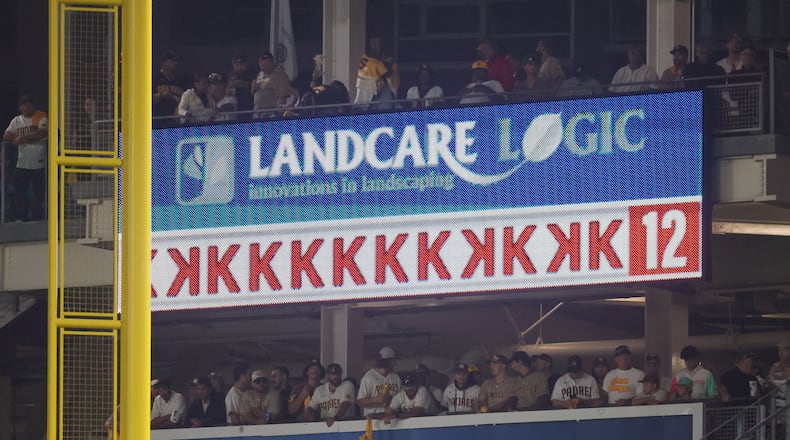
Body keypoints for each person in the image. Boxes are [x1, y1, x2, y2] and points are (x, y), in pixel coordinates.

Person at [3, 95, 47, 222]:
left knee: (38, 192)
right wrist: (17, 138)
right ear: (20, 107)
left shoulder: (40, 116)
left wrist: (22, 138)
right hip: (22, 162)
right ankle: (21, 217)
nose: (27, 107)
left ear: (33, 105)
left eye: (29, 104)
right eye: (24, 104)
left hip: (39, 162)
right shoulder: (17, 120)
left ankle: (36, 218)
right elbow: (7, 135)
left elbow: (42, 132)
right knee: (19, 190)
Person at [357, 346, 401, 418]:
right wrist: (375, 399)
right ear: (387, 361)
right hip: (374, 419)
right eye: (393, 361)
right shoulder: (369, 377)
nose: (394, 363)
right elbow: (360, 401)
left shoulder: (395, 377)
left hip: (392, 419)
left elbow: (400, 397)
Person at [354, 36, 397, 105]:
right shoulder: (375, 62)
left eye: (379, 44)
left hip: (376, 91)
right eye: (374, 43)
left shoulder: (365, 57)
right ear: (370, 44)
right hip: (370, 92)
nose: (377, 46)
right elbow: (387, 74)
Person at [252, 51, 291, 117]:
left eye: (265, 65)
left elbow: (283, 96)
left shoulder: (280, 75)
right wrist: (254, 88)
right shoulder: (260, 74)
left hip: (272, 112)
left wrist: (278, 112)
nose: (263, 68)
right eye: (261, 65)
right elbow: (254, 92)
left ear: (271, 63)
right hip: (258, 111)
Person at [153, 50, 184, 126]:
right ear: (164, 62)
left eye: (177, 61)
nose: (176, 63)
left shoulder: (179, 80)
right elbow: (145, 99)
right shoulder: (154, 78)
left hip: (176, 121)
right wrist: (161, 96)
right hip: (158, 121)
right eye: (173, 61)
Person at [227, 52, 256, 118]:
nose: (239, 67)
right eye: (237, 65)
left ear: (246, 64)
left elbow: (251, 88)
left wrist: (238, 85)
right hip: (234, 109)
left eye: (241, 64)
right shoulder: (231, 75)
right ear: (233, 64)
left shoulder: (251, 74)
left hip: (248, 108)